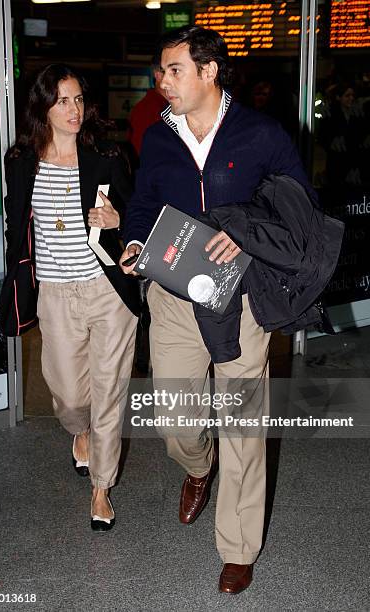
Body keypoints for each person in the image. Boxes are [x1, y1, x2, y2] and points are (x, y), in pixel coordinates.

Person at [121, 26, 314, 593]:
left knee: (244, 424)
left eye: (174, 70)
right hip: (176, 298)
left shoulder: (261, 133)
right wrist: (135, 243)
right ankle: (198, 468)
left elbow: (298, 208)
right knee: (175, 421)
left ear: (208, 71)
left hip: (244, 298)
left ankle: (238, 546)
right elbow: (143, 204)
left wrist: (247, 233)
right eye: (161, 71)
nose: (163, 82)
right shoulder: (158, 138)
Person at [0, 63, 140, 531]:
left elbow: (137, 214)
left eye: (78, 99)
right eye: (62, 100)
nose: (73, 109)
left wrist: (118, 221)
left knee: (109, 393)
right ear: (42, 106)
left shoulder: (105, 155)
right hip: (56, 294)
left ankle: (101, 489)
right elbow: (16, 224)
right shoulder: (21, 161)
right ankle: (79, 433)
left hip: (107, 291)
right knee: (67, 394)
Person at [128, 54, 167, 157]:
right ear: (158, 75)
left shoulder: (167, 107)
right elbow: (142, 153)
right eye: (174, 71)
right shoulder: (149, 110)